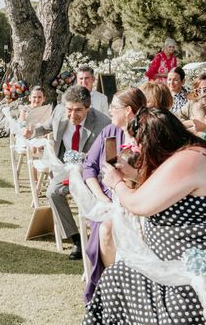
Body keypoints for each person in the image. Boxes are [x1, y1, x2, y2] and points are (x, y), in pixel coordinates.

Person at [85, 108, 206, 323]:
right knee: (115, 278)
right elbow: (161, 191)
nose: (138, 151)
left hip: (186, 280)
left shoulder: (189, 159)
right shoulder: (186, 154)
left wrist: (117, 183)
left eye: (139, 145)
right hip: (165, 270)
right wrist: (132, 175)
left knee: (116, 281)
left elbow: (137, 204)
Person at [25, 85, 110, 260]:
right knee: (52, 192)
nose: (72, 115)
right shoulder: (59, 112)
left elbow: (106, 156)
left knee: (95, 197)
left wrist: (84, 159)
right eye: (69, 110)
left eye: (78, 110)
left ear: (88, 107)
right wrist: (32, 131)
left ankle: (97, 238)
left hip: (93, 171)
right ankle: (77, 239)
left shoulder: (103, 123)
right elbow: (46, 127)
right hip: (66, 168)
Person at [81, 87, 147, 302]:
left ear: (128, 111)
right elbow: (89, 167)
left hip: (140, 199)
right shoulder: (109, 132)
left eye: (114, 107)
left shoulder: (146, 135)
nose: (109, 110)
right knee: (107, 228)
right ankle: (111, 285)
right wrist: (101, 196)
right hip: (108, 199)